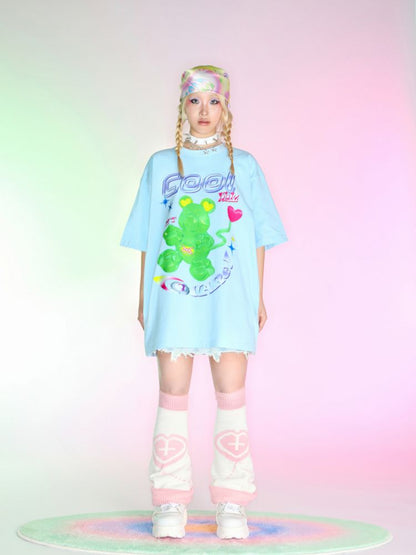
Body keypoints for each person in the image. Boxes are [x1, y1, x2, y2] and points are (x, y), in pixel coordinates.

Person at [120, 65, 288, 540]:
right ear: (183, 106)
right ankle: (169, 499)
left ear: (226, 107)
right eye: (195, 101)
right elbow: (147, 237)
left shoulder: (244, 166)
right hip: (172, 294)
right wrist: (144, 298)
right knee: (172, 393)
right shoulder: (161, 165)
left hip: (230, 296)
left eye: (214, 101)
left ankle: (233, 501)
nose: (204, 111)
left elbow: (260, 236)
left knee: (231, 394)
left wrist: (256, 295)